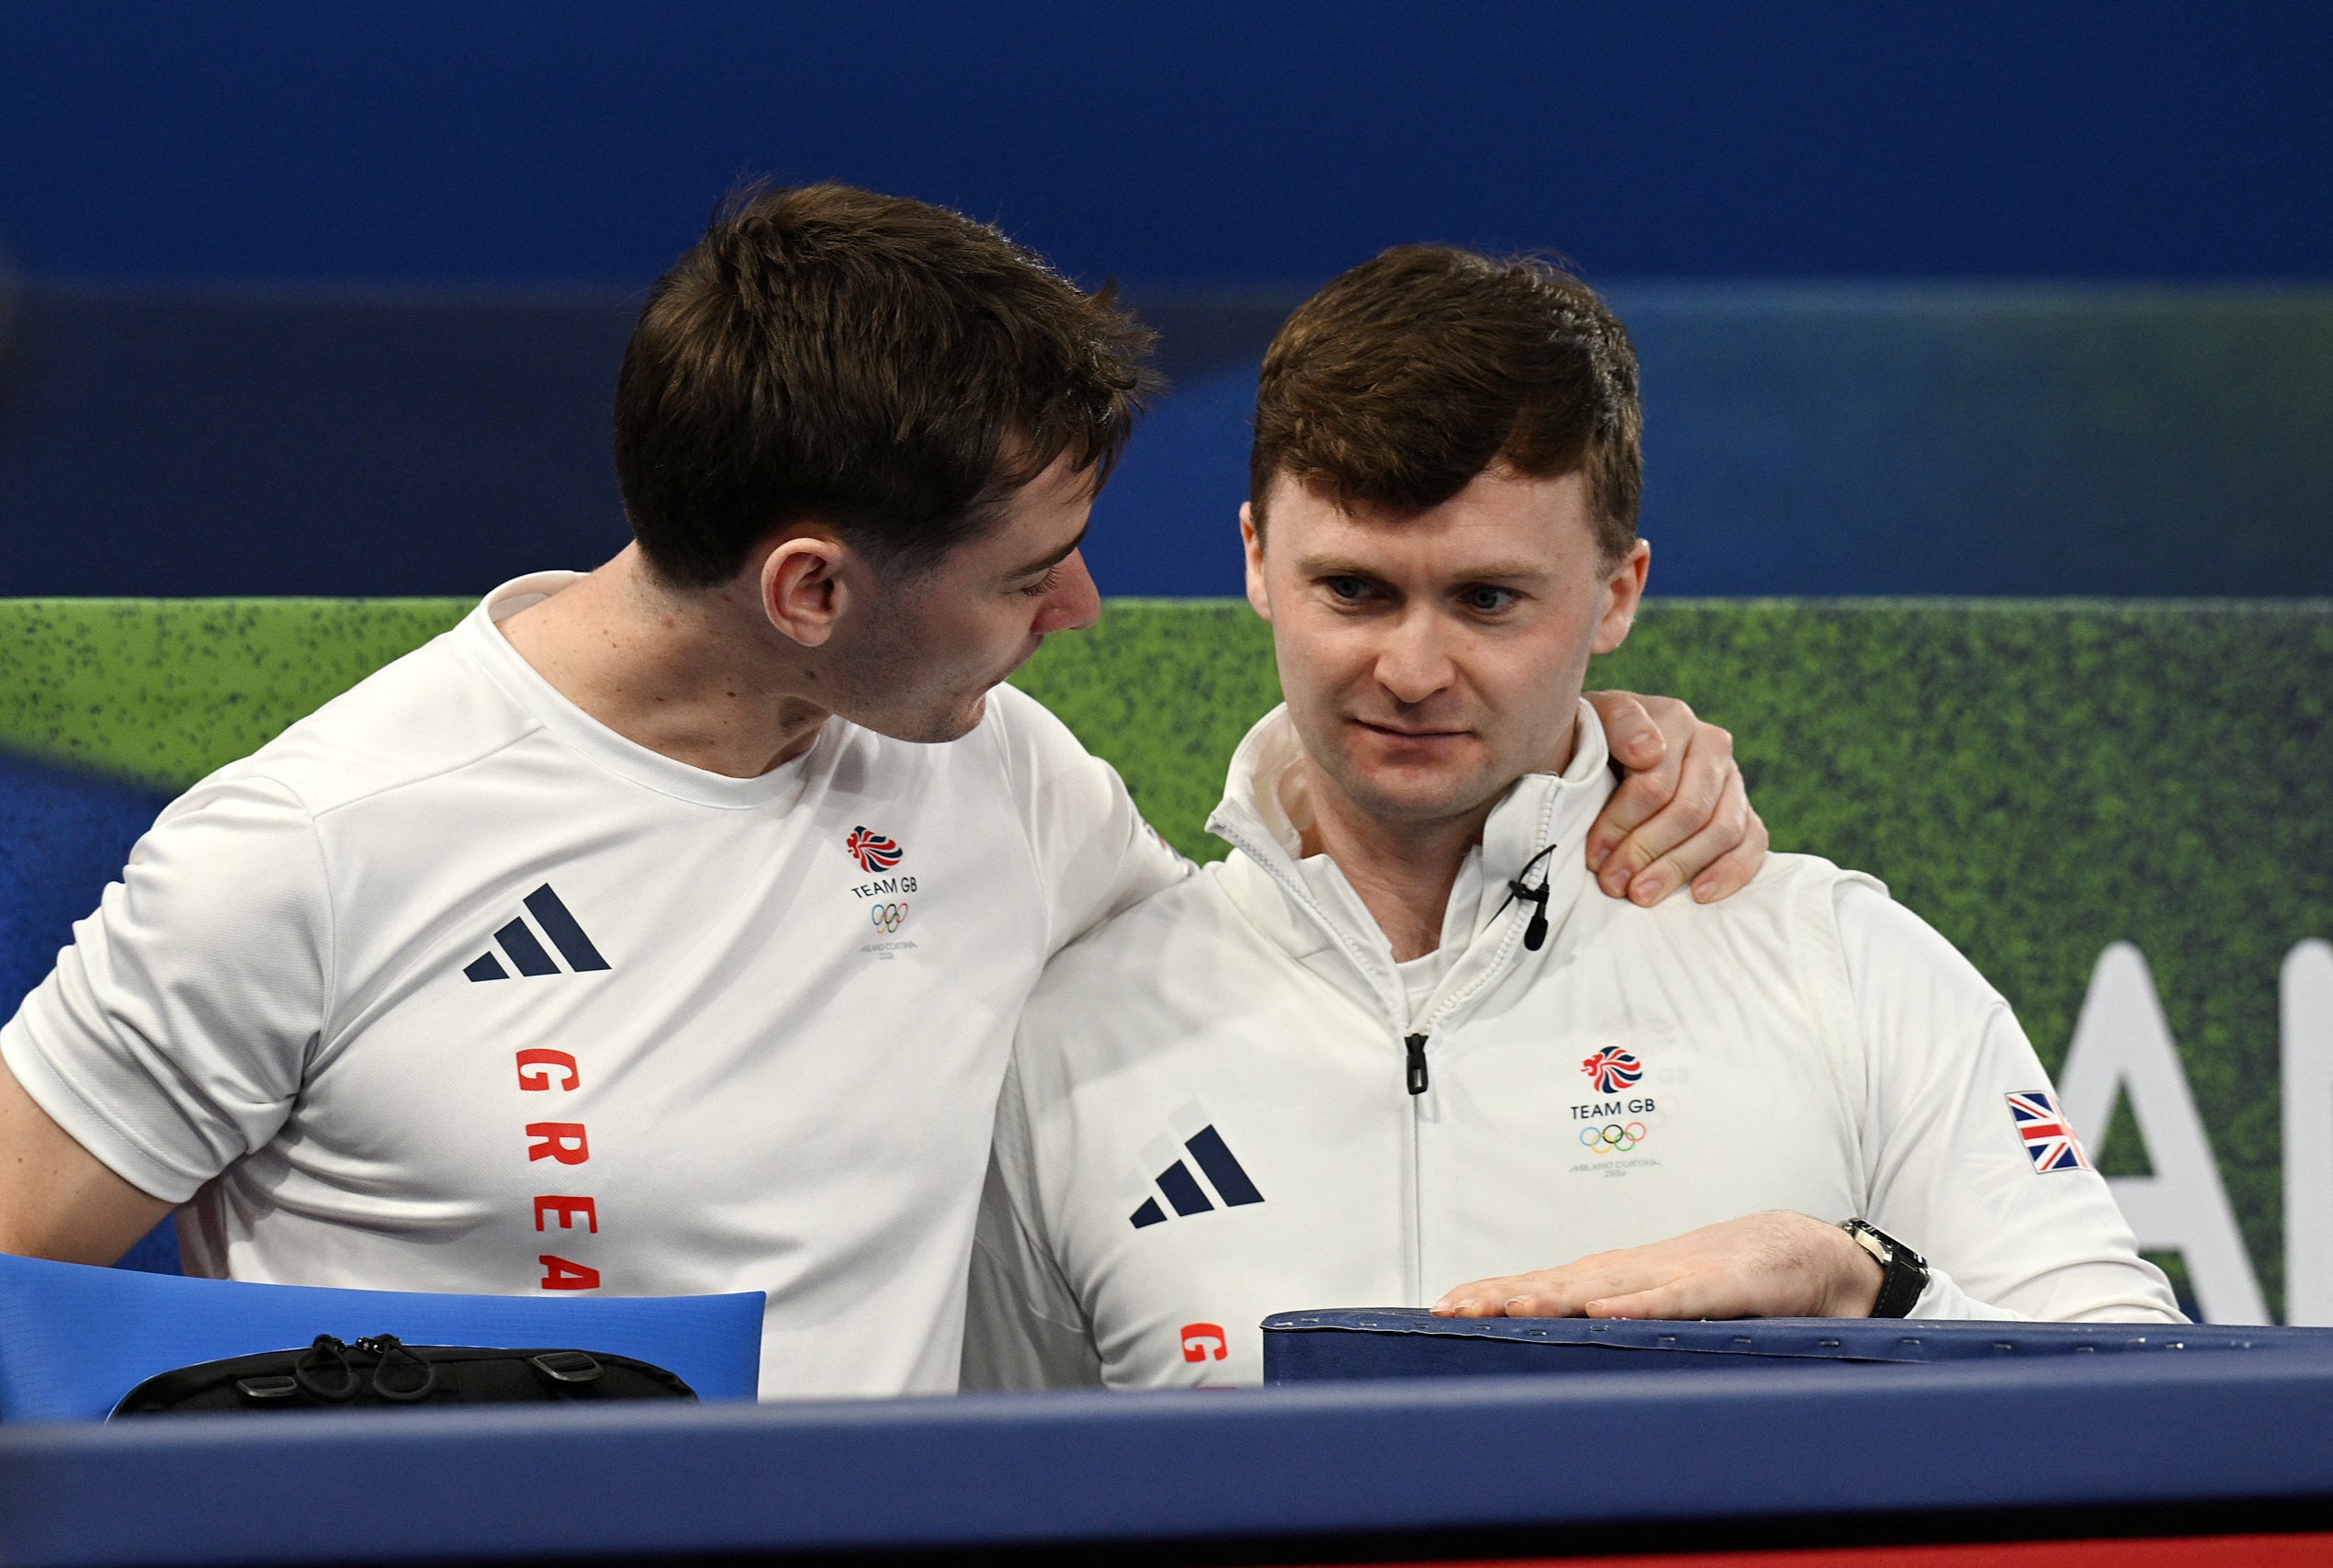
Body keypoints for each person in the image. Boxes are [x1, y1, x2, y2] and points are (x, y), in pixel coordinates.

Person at [0, 188, 1767, 1400]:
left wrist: (1604, 754)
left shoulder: (1006, 784)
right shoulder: (304, 854)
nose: (1075, 613)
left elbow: (1320, 968)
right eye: (1027, 578)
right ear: (811, 593)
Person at [961, 244, 2181, 1393]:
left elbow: (2145, 1402)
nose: (1415, 667)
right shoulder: (1077, 1041)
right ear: (1256, 560)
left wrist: (1870, 1285)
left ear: (1618, 594)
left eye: (1489, 599)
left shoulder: (1838, 965)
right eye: (1355, 590)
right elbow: (1005, 1503)